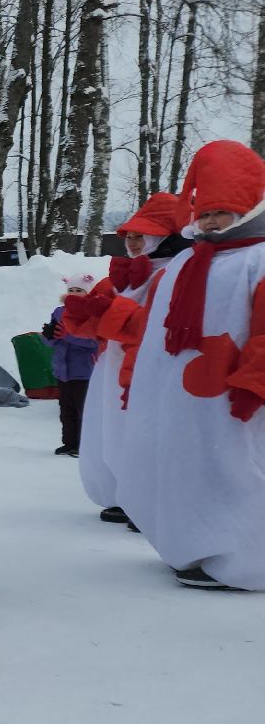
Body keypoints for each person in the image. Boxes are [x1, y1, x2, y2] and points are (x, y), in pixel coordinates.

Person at [115, 140, 265, 589]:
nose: (211, 221)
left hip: (234, 396)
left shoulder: (257, 261)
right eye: (205, 212)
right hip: (184, 399)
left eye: (222, 211)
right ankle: (193, 544)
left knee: (237, 469)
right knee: (189, 466)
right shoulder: (186, 263)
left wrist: (254, 382)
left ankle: (244, 557)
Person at [61, 193, 187, 526]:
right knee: (112, 431)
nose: (132, 242)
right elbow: (103, 327)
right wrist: (81, 316)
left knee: (141, 433)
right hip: (112, 365)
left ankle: (144, 498)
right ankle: (122, 494)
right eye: (129, 236)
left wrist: (108, 313)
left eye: (139, 235)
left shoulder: (174, 273)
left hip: (143, 368)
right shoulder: (125, 276)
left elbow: (155, 325)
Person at [43, 275, 100, 457]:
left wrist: (66, 335)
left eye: (79, 291)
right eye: (71, 290)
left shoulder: (91, 313)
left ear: (87, 293)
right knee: (65, 409)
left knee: (82, 410)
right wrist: (49, 336)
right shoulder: (59, 312)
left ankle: (84, 445)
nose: (74, 294)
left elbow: (93, 342)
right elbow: (50, 341)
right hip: (62, 370)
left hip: (83, 371)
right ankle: (69, 443)